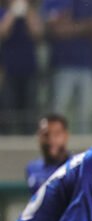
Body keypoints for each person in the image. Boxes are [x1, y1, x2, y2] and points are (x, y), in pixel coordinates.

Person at [42, 0, 92, 134]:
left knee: (86, 115)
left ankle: (86, 153)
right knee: (58, 113)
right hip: (62, 65)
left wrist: (71, 27)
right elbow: (58, 30)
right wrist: (85, 27)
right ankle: (55, 150)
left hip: (87, 64)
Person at [0, 0, 43, 134]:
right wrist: (12, 13)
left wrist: (27, 11)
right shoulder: (2, 12)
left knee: (30, 110)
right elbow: (2, 33)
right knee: (8, 110)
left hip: (29, 69)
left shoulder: (32, 13)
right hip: (9, 69)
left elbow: (38, 34)